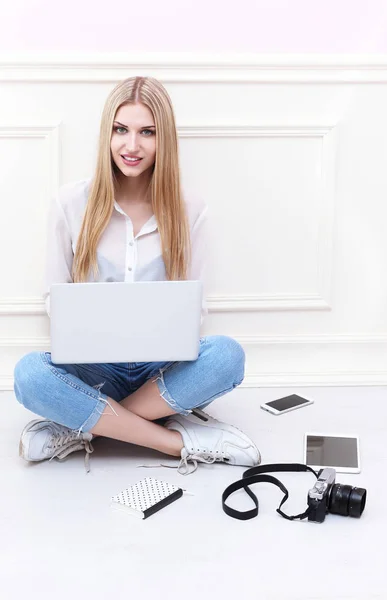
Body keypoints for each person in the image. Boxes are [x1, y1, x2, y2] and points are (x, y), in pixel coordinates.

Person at [14, 76, 261, 475]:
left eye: (148, 132)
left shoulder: (189, 208)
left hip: (158, 373)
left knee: (227, 356)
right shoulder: (69, 203)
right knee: (29, 375)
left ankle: (88, 427)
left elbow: (193, 306)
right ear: (106, 135)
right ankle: (174, 441)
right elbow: (52, 299)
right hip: (95, 370)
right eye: (121, 130)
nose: (132, 146)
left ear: (164, 139)